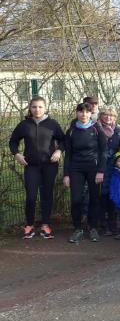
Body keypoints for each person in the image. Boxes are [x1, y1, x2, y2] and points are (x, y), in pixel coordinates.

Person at [9, 96, 65, 239]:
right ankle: (29, 225)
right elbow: (13, 141)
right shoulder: (24, 125)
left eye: (40, 107)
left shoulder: (52, 124)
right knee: (31, 196)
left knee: (47, 195)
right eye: (34, 107)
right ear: (30, 108)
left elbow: (64, 140)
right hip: (31, 166)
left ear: (45, 108)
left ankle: (45, 225)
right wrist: (16, 154)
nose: (37, 109)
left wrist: (59, 151)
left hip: (49, 166)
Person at [63, 102, 107, 243]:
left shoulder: (97, 129)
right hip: (76, 168)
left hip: (93, 168)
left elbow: (104, 152)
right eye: (81, 111)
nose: (84, 114)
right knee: (76, 200)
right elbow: (68, 155)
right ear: (77, 113)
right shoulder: (71, 131)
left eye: (87, 112)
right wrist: (66, 174)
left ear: (91, 114)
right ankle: (78, 228)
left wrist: (101, 171)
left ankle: (93, 227)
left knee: (94, 198)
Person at [97, 107, 120, 236]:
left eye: (111, 115)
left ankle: (113, 222)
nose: (108, 117)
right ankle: (102, 224)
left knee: (113, 195)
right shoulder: (96, 129)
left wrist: (119, 161)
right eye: (105, 115)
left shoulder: (119, 131)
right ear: (101, 116)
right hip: (99, 168)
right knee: (102, 195)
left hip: (114, 168)